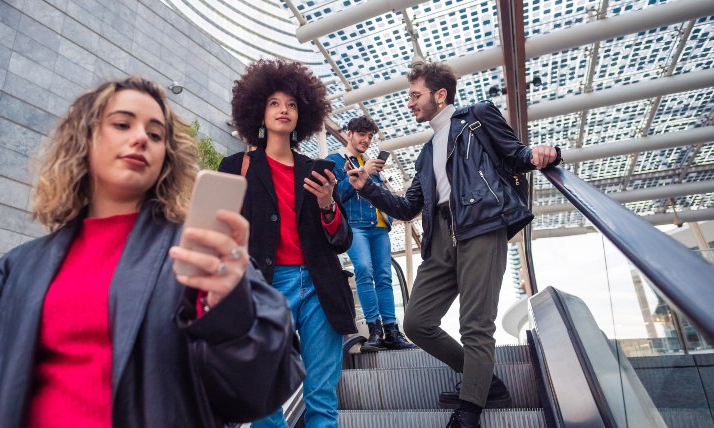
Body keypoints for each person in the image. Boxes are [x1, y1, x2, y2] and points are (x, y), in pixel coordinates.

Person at [0, 76, 303, 428]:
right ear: (84, 140)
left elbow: (261, 388)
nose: (140, 138)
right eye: (122, 124)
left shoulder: (203, 256)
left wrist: (231, 308)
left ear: (165, 158)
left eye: (155, 134)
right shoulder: (15, 270)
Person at [346, 62, 560, 428]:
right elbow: (408, 208)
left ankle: (469, 410)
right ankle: (485, 382)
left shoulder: (477, 117)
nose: (410, 103)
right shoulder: (426, 153)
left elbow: (516, 154)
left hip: (481, 225)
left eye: (416, 95)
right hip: (441, 236)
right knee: (416, 323)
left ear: (440, 95)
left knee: (475, 323)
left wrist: (544, 153)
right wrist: (367, 189)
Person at [219, 59, 356, 428]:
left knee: (322, 397)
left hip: (319, 287)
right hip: (265, 288)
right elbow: (219, 233)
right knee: (264, 400)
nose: (284, 110)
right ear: (259, 112)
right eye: (275, 103)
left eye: (292, 104)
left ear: (302, 114)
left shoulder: (318, 170)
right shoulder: (236, 166)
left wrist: (327, 203)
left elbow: (342, 240)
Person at [326, 117, 415, 352]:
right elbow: (334, 196)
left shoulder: (371, 164)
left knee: (384, 276)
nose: (366, 140)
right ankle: (374, 329)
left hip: (379, 226)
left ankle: (392, 330)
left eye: (369, 136)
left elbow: (378, 194)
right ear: (349, 134)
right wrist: (363, 172)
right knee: (364, 270)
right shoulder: (334, 161)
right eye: (361, 134)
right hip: (355, 225)